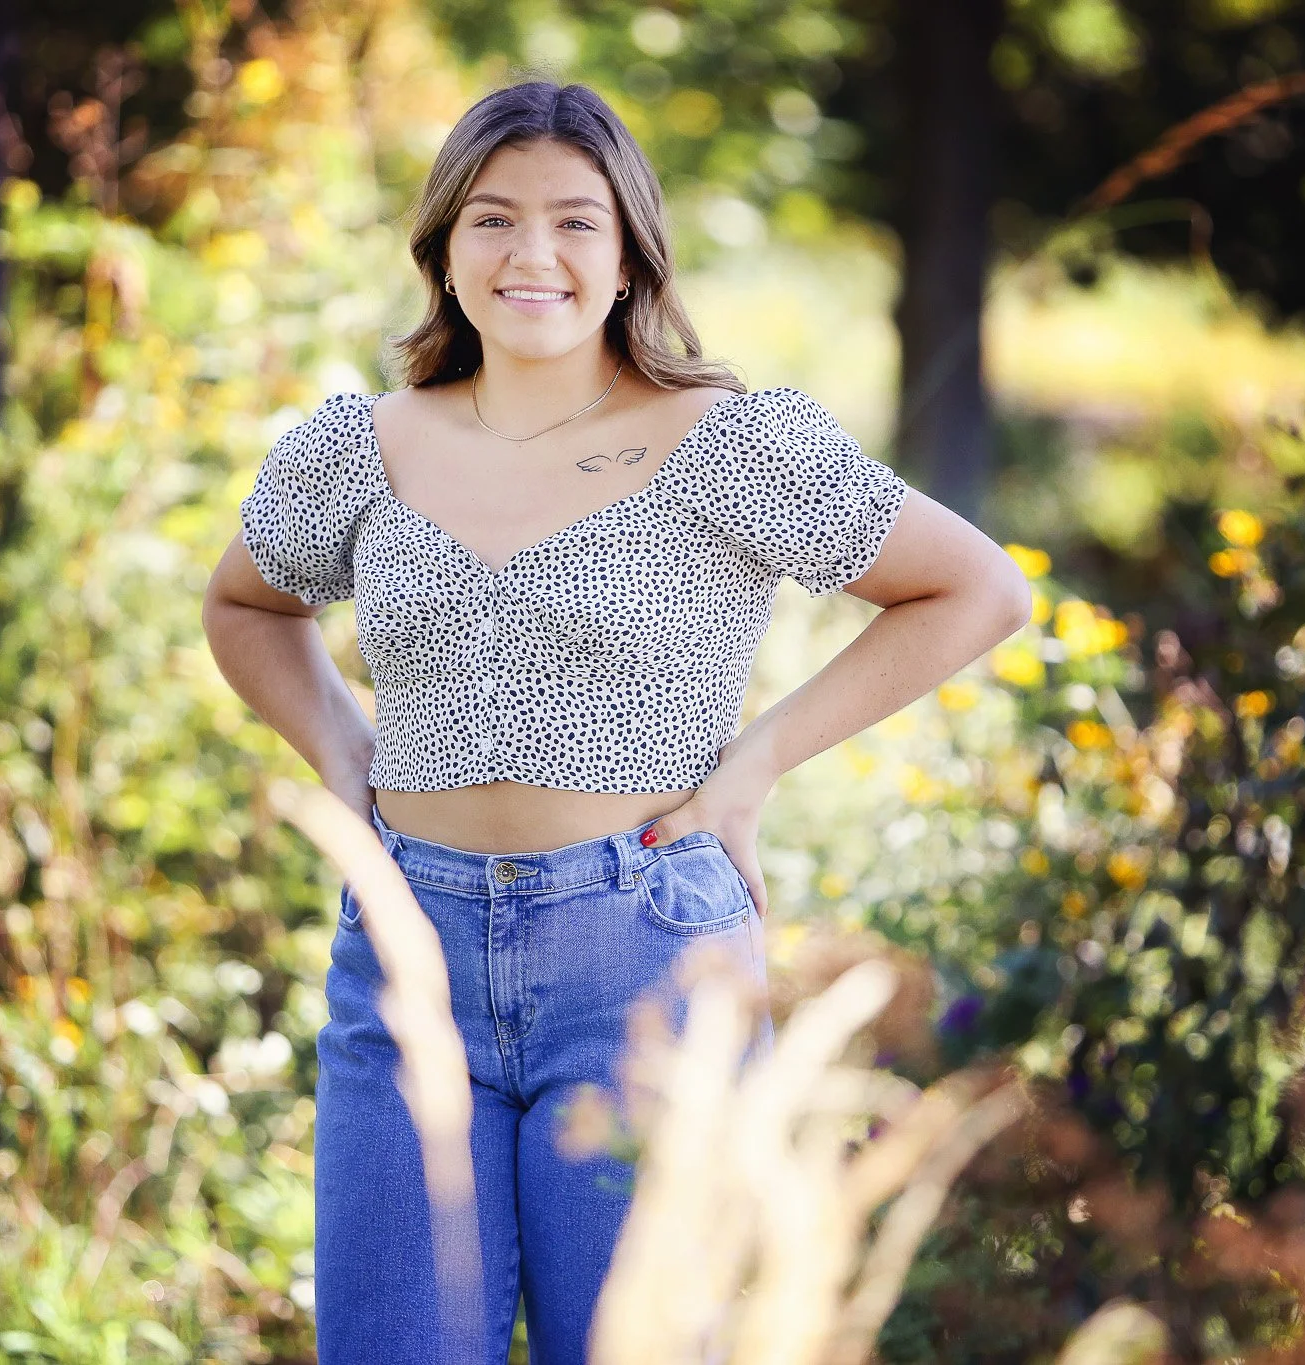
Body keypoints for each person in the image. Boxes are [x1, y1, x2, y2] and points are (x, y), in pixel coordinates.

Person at [201, 79, 1032, 1365]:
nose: (531, 254)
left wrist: (751, 767)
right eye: (492, 219)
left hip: (641, 958)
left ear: (631, 250)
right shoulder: (363, 446)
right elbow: (247, 605)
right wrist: (342, 753)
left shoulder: (723, 444)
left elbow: (974, 587)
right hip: (404, 957)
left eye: (574, 222)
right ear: (442, 249)